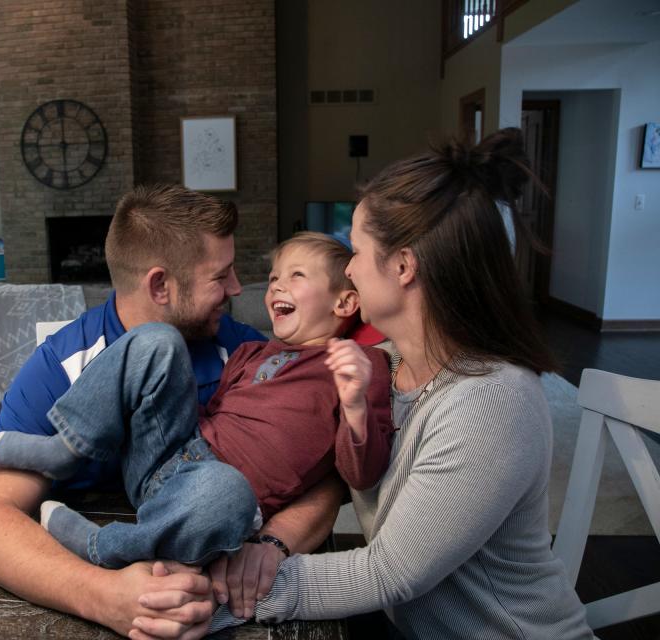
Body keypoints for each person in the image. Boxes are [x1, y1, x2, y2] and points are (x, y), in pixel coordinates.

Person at [133, 130, 596, 640]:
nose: (348, 268)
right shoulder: (381, 364)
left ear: (402, 267)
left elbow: (387, 573)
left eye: (354, 250)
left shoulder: (493, 399)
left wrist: (213, 588)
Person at [0, 185, 349, 638]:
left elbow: (329, 466)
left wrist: (275, 541)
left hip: (208, 566)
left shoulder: (241, 350)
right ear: (160, 285)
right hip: (85, 585)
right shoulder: (61, 366)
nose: (237, 289)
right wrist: (103, 595)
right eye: (220, 276)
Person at [0, 232, 393, 570]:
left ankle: (105, 545)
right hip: (167, 459)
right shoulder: (252, 351)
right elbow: (211, 414)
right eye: (272, 278)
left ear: (344, 301)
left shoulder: (362, 367)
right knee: (157, 339)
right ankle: (64, 448)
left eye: (296, 276)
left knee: (231, 490)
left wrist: (354, 403)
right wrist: (156, 403)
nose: (275, 286)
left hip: (211, 496)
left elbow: (361, 474)